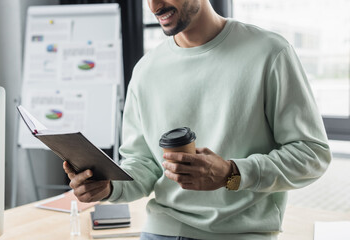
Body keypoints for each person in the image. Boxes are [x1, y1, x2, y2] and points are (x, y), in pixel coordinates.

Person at [63, 0, 332, 239]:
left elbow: (312, 154)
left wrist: (232, 173)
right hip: (163, 229)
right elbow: (143, 163)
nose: (155, 5)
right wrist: (109, 187)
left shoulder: (270, 53)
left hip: (243, 233)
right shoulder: (146, 71)